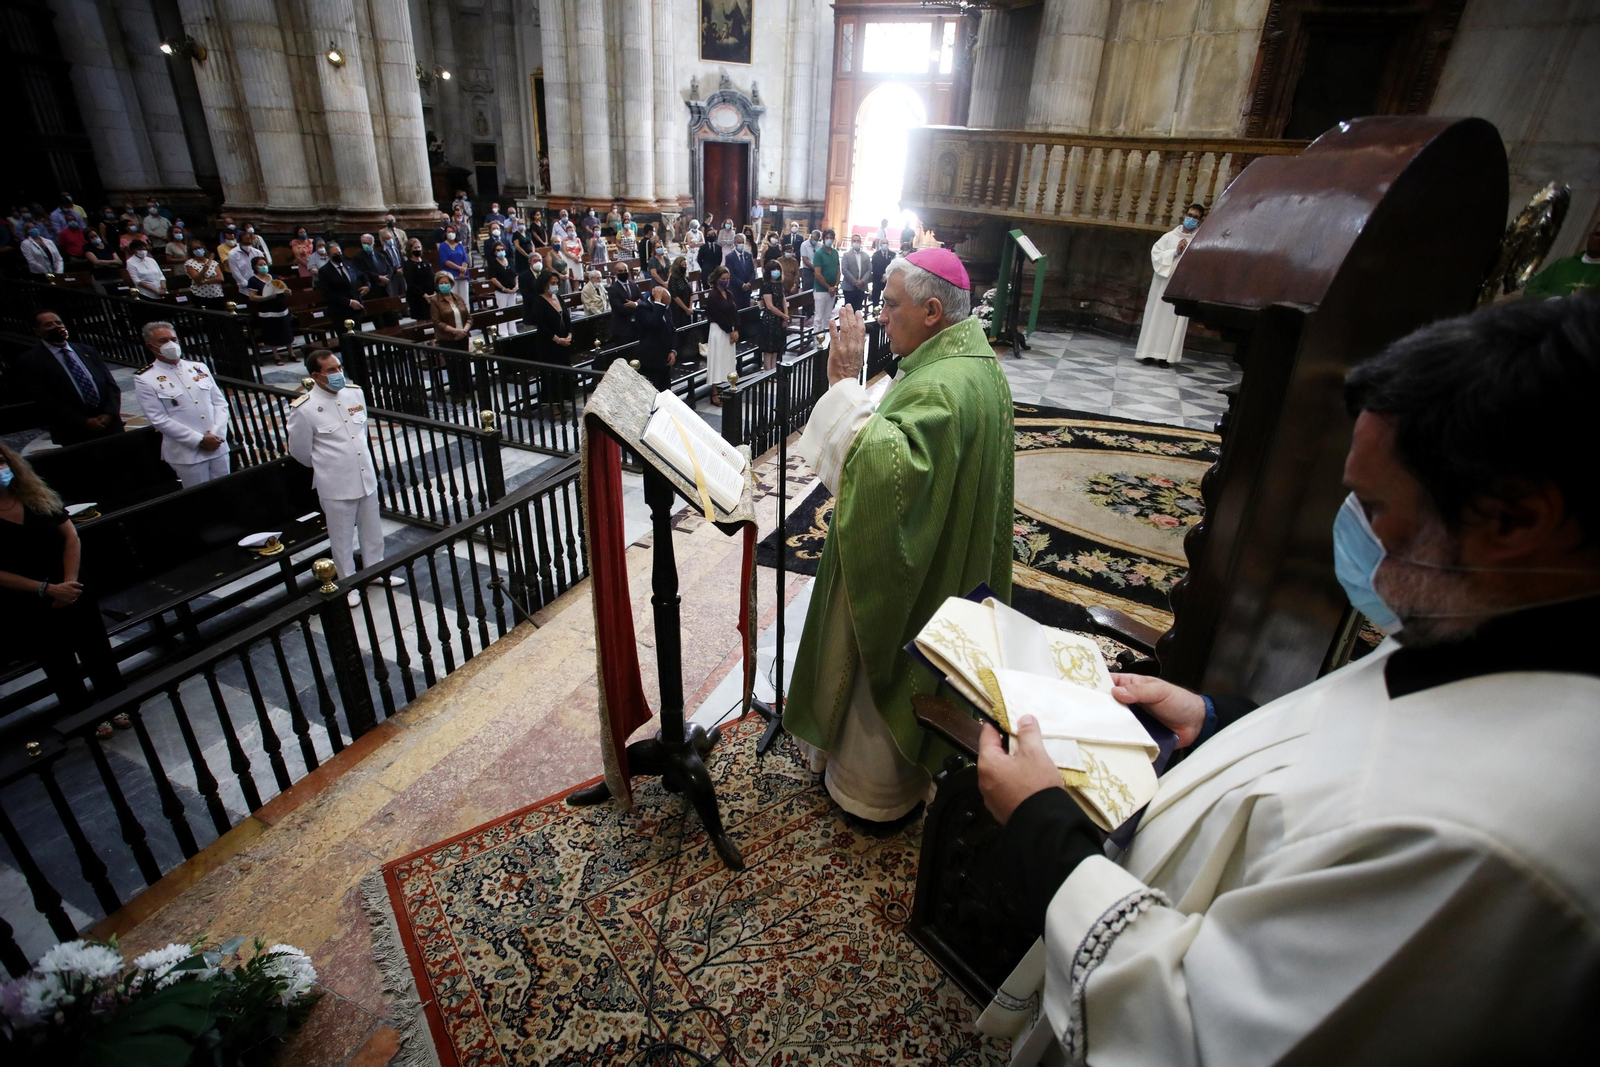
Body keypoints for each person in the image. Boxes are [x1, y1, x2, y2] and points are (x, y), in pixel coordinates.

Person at [974, 294, 1600, 1067]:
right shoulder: (1490, 625)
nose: (1353, 529)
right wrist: (1218, 716)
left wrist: (1040, 821)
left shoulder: (1488, 846)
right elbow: (1369, 726)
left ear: (1513, 520)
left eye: (1375, 507)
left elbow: (1196, 1033)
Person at [787, 249, 1011, 822]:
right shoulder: (977, 364)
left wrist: (841, 387)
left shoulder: (942, 384)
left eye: (891, 304)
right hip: (952, 556)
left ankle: (872, 791)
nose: (881, 316)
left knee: (878, 655)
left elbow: (887, 479)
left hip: (916, 575)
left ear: (933, 310)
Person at [0, 443, 123, 717]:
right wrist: (47, 590)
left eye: (2, 462)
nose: (1, 470)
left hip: (74, 586)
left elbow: (70, 537)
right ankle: (84, 715)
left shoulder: (35, 497)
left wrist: (68, 584)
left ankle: (116, 705)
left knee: (96, 651)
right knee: (58, 661)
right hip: (29, 599)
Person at [287, 350, 403, 606]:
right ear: (316, 376)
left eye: (339, 367)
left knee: (372, 531)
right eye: (331, 370)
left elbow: (359, 432)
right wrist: (329, 467)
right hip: (335, 483)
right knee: (341, 539)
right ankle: (347, 583)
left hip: (364, 475)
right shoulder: (304, 409)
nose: (338, 373)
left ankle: (376, 572)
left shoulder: (354, 393)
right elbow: (300, 452)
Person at [133, 322, 231, 486]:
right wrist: (199, 440)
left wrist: (217, 434)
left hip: (217, 445)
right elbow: (159, 419)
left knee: (227, 491)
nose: (170, 344)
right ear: (150, 346)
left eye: (173, 339)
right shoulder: (145, 378)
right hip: (187, 453)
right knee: (200, 499)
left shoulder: (198, 368)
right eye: (163, 341)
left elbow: (220, 404)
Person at [18, 310, 124, 446]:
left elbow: (111, 385)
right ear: (38, 331)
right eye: (49, 325)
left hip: (109, 425)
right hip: (75, 431)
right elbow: (44, 399)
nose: (56, 327)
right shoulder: (31, 360)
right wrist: (83, 421)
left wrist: (110, 413)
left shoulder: (87, 350)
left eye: (58, 322)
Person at [1135, 202, 1205, 366]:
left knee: (1174, 318)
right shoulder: (1169, 237)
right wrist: (1175, 252)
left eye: (1195, 217)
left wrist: (1187, 253)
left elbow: (1201, 263)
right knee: (1156, 316)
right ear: (1184, 215)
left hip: (1181, 286)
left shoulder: (1199, 240)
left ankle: (1166, 356)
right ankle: (1147, 353)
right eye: (1189, 215)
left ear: (1200, 220)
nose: (1191, 219)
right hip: (1162, 285)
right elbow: (1156, 255)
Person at [1523, 218, 1600, 299]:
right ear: (1590, 236)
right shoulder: (1562, 264)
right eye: (1597, 234)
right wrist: (1554, 300)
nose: (1599, 239)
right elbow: (1531, 289)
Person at [702, 265, 739, 406]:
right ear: (717, 279)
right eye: (723, 279)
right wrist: (730, 330)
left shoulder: (729, 294)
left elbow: (734, 312)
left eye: (728, 279)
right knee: (717, 360)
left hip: (730, 331)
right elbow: (718, 315)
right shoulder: (713, 295)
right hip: (718, 330)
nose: (726, 281)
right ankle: (714, 393)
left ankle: (728, 385)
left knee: (727, 360)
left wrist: (736, 329)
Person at [246, 260, 295, 364]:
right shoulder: (253, 281)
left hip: (281, 308)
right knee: (272, 333)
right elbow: (252, 297)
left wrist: (288, 292)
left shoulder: (274, 277)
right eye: (260, 265)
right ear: (255, 267)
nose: (263, 266)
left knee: (287, 331)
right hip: (267, 310)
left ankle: (291, 354)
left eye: (264, 264)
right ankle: (276, 357)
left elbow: (282, 291)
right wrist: (265, 297)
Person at [316, 241, 369, 335]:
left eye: (339, 253)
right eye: (335, 254)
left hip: (355, 309)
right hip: (340, 311)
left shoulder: (349, 265)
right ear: (328, 255)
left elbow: (362, 275)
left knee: (358, 338)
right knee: (346, 341)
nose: (338, 255)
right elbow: (327, 293)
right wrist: (349, 302)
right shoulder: (324, 271)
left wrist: (367, 285)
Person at [631, 285, 677, 391]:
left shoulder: (663, 308)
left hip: (665, 359)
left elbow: (672, 331)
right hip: (651, 359)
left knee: (666, 391)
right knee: (654, 391)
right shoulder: (642, 308)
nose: (666, 307)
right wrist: (658, 303)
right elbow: (653, 323)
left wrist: (673, 350)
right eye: (664, 304)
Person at [522, 269, 573, 363]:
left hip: (564, 342)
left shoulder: (559, 298)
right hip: (549, 344)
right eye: (552, 283)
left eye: (556, 283)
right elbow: (542, 326)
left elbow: (567, 318)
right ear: (544, 284)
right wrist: (558, 340)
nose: (555, 285)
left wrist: (569, 333)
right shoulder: (539, 302)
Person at [428, 270, 473, 355]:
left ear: (451, 284)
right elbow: (437, 321)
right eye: (441, 283)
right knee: (453, 365)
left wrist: (464, 331)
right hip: (447, 339)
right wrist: (455, 331)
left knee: (465, 364)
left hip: (463, 336)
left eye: (446, 282)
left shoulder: (458, 298)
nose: (443, 285)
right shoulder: (435, 300)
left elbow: (469, 318)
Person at [758, 259, 789, 371]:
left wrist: (786, 315)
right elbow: (769, 306)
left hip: (779, 319)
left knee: (776, 348)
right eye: (774, 270)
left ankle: (774, 370)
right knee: (769, 349)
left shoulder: (780, 285)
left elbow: (783, 301)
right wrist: (782, 315)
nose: (776, 272)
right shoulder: (766, 285)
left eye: (778, 270)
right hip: (770, 319)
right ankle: (768, 371)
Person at [667, 256, 696, 367]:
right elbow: (674, 296)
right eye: (682, 266)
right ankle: (676, 354)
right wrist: (685, 308)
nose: (684, 267)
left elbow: (691, 293)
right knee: (678, 330)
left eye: (685, 266)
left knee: (687, 330)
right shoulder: (674, 279)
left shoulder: (685, 278)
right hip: (677, 309)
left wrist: (690, 307)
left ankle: (685, 353)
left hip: (687, 309)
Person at [485, 241, 518, 336]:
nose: (501, 251)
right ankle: (503, 331)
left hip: (513, 290)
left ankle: (512, 330)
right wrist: (503, 288)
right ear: (495, 252)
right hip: (501, 291)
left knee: (512, 311)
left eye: (502, 249)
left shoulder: (510, 261)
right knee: (502, 311)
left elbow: (515, 275)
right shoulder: (493, 263)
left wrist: (516, 286)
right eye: (498, 250)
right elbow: (493, 278)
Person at [607, 262, 641, 350]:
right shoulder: (613, 289)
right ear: (616, 273)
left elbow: (643, 301)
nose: (623, 272)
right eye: (620, 271)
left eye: (625, 270)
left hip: (636, 325)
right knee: (625, 352)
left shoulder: (633, 285)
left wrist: (634, 304)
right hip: (622, 327)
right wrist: (637, 306)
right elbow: (620, 309)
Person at [811, 228, 840, 328]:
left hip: (832, 290)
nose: (829, 240)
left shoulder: (835, 253)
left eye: (831, 238)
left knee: (827, 318)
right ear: (823, 239)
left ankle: (825, 340)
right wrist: (828, 287)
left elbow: (838, 271)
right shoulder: (819, 253)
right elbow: (818, 274)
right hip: (821, 290)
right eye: (827, 238)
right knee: (818, 317)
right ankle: (817, 342)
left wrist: (835, 286)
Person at [402, 241, 435, 320]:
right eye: (415, 248)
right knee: (421, 319)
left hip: (430, 296)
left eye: (419, 247)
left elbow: (431, 278)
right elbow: (411, 282)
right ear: (410, 250)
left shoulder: (426, 263)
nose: (418, 249)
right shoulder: (408, 265)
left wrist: (434, 292)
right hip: (417, 297)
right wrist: (423, 294)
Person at [840, 233, 870, 312]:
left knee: (858, 310)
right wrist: (855, 281)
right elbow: (844, 270)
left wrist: (862, 281)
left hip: (861, 287)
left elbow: (869, 270)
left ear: (860, 242)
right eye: (854, 241)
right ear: (851, 242)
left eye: (858, 241)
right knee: (849, 310)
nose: (856, 243)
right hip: (849, 287)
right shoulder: (846, 255)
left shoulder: (866, 256)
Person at [726, 234, 756, 310]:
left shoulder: (748, 255)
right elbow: (731, 274)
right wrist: (742, 285)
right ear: (735, 243)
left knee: (746, 312)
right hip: (736, 290)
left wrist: (749, 283)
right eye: (739, 242)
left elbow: (753, 272)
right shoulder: (730, 257)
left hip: (747, 290)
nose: (741, 244)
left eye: (743, 242)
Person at [870, 239, 895, 304]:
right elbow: (874, 268)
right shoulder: (875, 255)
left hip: (888, 281)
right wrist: (882, 276)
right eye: (884, 243)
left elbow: (894, 267)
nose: (885, 244)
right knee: (875, 299)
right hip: (878, 280)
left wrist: (886, 276)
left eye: (886, 243)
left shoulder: (893, 254)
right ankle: (875, 311)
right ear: (881, 245)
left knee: (887, 300)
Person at [799, 228, 819, 294]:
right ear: (811, 237)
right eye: (814, 239)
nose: (815, 241)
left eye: (817, 240)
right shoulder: (804, 245)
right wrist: (814, 268)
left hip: (818, 270)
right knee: (807, 291)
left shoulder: (820, 245)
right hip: (807, 270)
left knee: (816, 290)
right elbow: (805, 260)